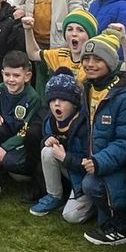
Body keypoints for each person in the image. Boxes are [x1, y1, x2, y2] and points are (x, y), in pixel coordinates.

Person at [63, 29, 126, 244]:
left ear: (111, 62)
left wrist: (99, 162)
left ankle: (125, 226)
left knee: (92, 184)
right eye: (86, 58)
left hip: (123, 164)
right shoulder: (91, 87)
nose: (90, 64)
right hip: (98, 160)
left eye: (97, 59)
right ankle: (108, 215)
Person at [0, 51, 39, 202]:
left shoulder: (32, 98)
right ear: (2, 73)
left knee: (9, 161)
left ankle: (31, 180)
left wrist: (5, 147)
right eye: (7, 75)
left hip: (21, 141)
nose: (11, 80)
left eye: (16, 75)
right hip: (6, 132)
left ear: (27, 76)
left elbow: (26, 130)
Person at [30, 69, 82, 216]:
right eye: (52, 100)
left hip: (84, 176)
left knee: (72, 216)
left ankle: (86, 200)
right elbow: (44, 140)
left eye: (63, 100)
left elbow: (88, 162)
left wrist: (66, 158)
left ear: (75, 103)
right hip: (68, 168)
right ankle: (54, 196)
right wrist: (46, 140)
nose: (56, 104)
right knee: (47, 151)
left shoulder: (82, 124)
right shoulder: (50, 120)